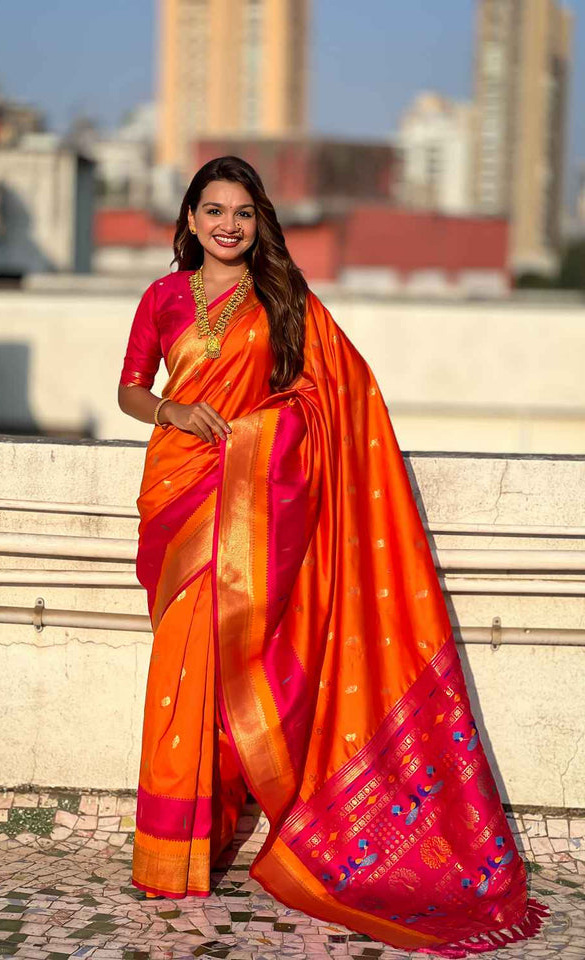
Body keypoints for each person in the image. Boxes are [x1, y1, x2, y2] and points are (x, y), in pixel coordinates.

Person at [117, 156, 547, 957]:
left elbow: (335, 393)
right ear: (187, 220)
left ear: (260, 222)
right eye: (212, 210)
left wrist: (259, 433)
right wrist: (171, 408)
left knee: (225, 665)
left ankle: (210, 841)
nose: (227, 225)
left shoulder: (286, 301)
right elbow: (131, 389)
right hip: (178, 494)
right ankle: (173, 853)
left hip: (248, 504)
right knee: (179, 665)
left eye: (242, 212)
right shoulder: (162, 297)